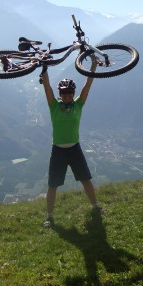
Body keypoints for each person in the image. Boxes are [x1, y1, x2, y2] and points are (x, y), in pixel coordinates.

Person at [40, 59, 102, 227]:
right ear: (60, 94)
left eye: (69, 93)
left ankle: (96, 206)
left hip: (75, 148)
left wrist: (94, 66)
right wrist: (44, 69)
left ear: (72, 93)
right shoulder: (54, 106)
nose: (66, 96)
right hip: (58, 151)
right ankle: (50, 217)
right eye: (63, 93)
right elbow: (47, 88)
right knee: (53, 185)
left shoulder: (78, 105)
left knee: (86, 179)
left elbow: (87, 86)